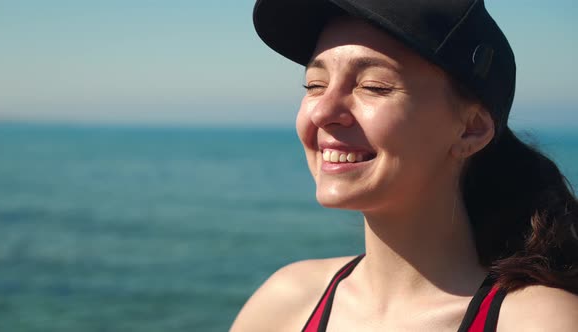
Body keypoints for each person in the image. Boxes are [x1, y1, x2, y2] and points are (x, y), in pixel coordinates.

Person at [232, 0, 578, 331]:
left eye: (374, 86)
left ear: (471, 130)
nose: (322, 111)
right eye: (315, 85)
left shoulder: (538, 322)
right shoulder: (287, 302)